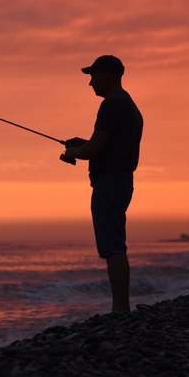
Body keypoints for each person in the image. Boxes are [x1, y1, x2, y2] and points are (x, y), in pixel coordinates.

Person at [60, 55, 143, 313]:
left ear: (106, 75)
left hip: (109, 183)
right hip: (121, 181)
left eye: (93, 77)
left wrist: (74, 152)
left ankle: (120, 310)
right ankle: (122, 308)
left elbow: (95, 149)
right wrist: (84, 143)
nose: (90, 83)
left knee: (112, 248)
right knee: (115, 245)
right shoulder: (128, 105)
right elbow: (110, 146)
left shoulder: (110, 105)